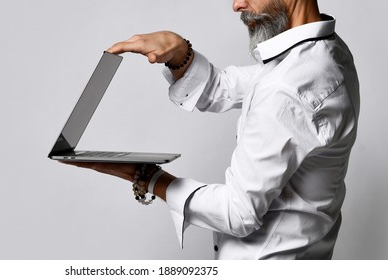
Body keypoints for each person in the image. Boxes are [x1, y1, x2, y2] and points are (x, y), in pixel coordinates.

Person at [62, 0, 360, 259]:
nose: (237, 5)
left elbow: (238, 212)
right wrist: (181, 55)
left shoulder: (287, 87)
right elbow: (227, 88)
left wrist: (148, 177)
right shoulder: (326, 52)